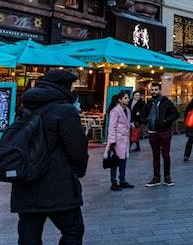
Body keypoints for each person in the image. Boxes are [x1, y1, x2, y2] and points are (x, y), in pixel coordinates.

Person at [9, 69, 88, 245]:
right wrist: (76, 172)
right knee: (73, 230)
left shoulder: (26, 107)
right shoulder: (65, 111)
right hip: (57, 183)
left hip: (26, 180)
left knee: (29, 234)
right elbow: (77, 150)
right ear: (65, 86)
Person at [143, 83, 179, 187]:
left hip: (164, 132)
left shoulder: (166, 102)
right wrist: (147, 121)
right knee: (155, 156)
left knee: (166, 155)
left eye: (156, 89)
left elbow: (175, 114)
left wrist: (165, 121)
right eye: (152, 90)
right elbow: (142, 116)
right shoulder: (148, 103)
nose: (154, 91)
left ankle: (167, 177)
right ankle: (156, 177)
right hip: (153, 132)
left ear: (160, 90)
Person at [105, 91, 133, 191]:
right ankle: (113, 182)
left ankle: (122, 180)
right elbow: (112, 127)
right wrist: (112, 141)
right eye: (125, 98)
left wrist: (134, 125)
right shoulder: (115, 111)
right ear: (119, 99)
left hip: (125, 140)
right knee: (115, 161)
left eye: (128, 98)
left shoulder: (128, 110)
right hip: (117, 140)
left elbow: (127, 123)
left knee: (123, 161)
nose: (128, 99)